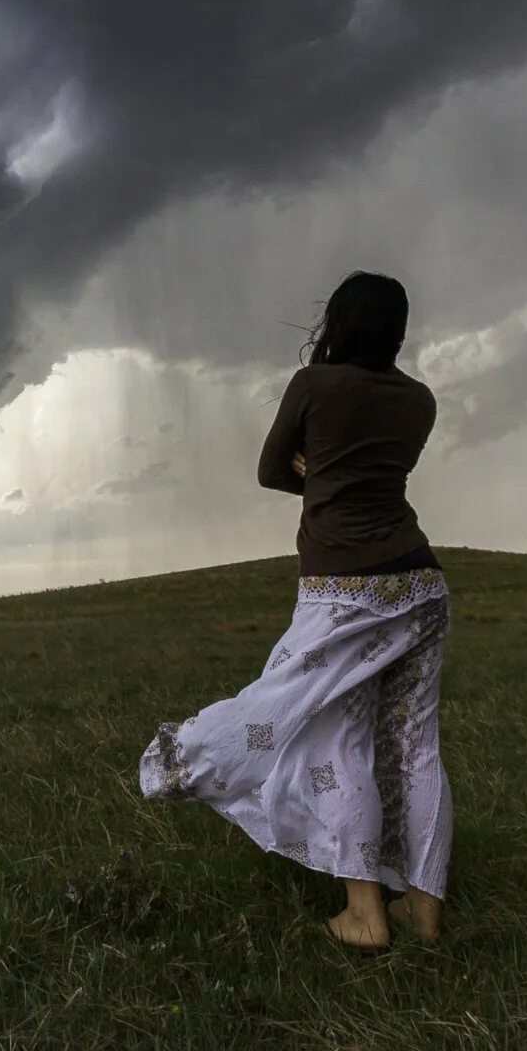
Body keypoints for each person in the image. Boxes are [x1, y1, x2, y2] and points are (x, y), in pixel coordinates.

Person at [138, 270, 452, 951]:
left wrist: (317, 471)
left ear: (337, 323)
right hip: (421, 587)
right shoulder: (420, 401)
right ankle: (422, 911)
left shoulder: (314, 385)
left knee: (337, 741)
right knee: (415, 748)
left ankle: (365, 914)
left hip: (343, 593)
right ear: (397, 330)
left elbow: (271, 470)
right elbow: (375, 471)